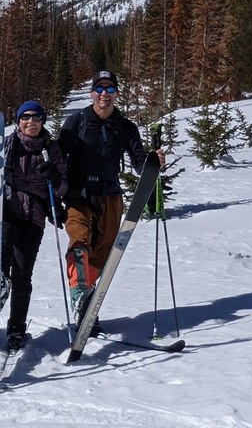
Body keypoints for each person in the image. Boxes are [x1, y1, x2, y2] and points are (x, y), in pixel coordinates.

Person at [56, 71, 163, 333]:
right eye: (100, 89)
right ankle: (80, 296)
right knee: (79, 243)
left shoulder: (125, 127)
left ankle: (88, 310)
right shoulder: (76, 121)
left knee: (103, 255)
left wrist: (153, 162)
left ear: (116, 93)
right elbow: (58, 158)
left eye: (110, 89)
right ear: (92, 93)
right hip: (78, 196)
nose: (105, 94)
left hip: (110, 196)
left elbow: (140, 164)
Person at [0, 100, 68, 352]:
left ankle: (16, 328)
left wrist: (53, 177)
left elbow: (64, 185)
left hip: (34, 217)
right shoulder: (8, 144)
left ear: (42, 121)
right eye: (25, 117)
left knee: (22, 273)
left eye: (36, 118)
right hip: (8, 211)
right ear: (19, 120)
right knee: (1, 266)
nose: (30, 122)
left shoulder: (50, 149)